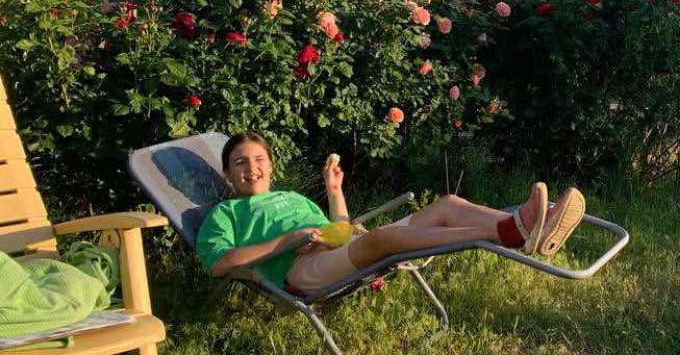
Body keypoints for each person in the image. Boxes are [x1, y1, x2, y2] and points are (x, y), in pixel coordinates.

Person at [196, 131, 585, 293]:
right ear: (228, 174)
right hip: (301, 271)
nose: (252, 168)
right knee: (382, 238)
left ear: (271, 166)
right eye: (240, 163)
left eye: (259, 159)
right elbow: (219, 264)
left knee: (449, 204)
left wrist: (334, 191)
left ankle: (530, 227)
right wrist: (286, 241)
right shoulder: (226, 213)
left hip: (337, 249)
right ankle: (511, 231)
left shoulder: (292, 198)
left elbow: (339, 229)